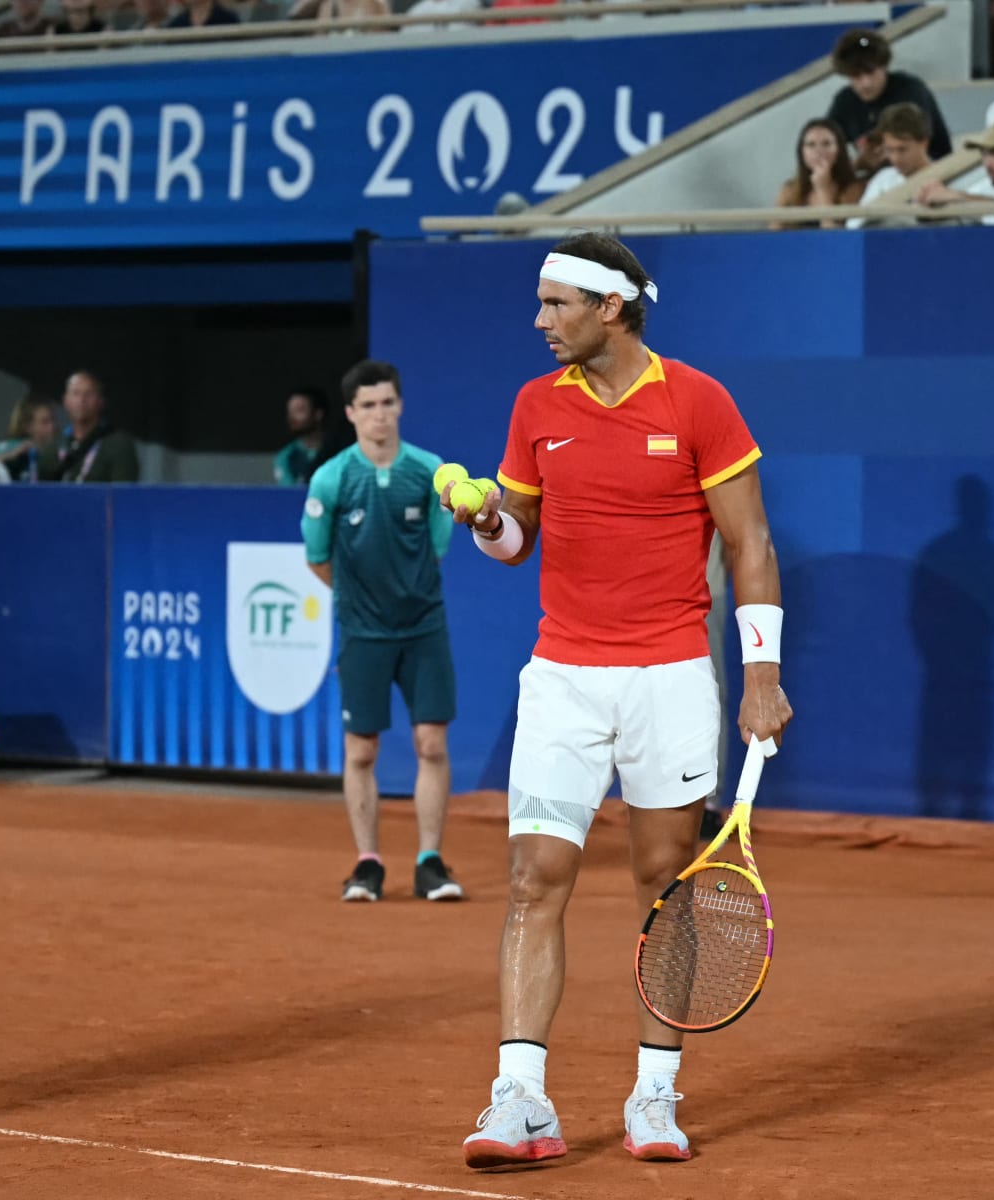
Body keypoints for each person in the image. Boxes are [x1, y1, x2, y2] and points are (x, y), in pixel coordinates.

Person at [446, 233, 791, 1169]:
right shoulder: (534, 405)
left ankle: (654, 1095)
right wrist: (489, 523)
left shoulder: (699, 401)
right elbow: (517, 539)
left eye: (556, 304)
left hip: (670, 677)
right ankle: (520, 1099)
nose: (539, 320)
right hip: (561, 675)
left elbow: (750, 545)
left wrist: (761, 678)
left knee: (665, 886)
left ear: (612, 309)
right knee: (531, 881)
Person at [302, 360, 465, 903]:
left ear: (399, 406)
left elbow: (437, 547)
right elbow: (318, 558)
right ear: (350, 413)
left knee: (431, 742)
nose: (379, 415)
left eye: (387, 403)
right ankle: (368, 863)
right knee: (362, 752)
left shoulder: (429, 470)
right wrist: (359, 605)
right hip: (362, 634)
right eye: (367, 405)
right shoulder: (331, 478)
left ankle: (430, 862)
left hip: (423, 629)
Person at [826, 29, 952, 175]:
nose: (866, 83)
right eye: (856, 76)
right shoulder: (845, 100)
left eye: (871, 73)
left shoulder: (910, 90)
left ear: (884, 66)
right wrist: (857, 163)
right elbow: (826, 138)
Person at [769, 119, 865, 229]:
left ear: (839, 150)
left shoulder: (854, 188)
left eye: (826, 144)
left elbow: (834, 239)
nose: (819, 151)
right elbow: (772, 235)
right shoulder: (789, 189)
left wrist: (822, 189)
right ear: (802, 152)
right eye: (811, 145)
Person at [54, 369, 139, 482]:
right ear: (65, 401)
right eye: (75, 393)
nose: (82, 400)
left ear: (101, 402)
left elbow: (124, 495)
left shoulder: (119, 444)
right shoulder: (55, 445)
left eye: (89, 394)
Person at [274, 386, 328, 484]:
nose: (292, 417)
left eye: (299, 410)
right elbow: (288, 493)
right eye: (290, 411)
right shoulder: (287, 456)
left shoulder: (339, 452)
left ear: (318, 414)